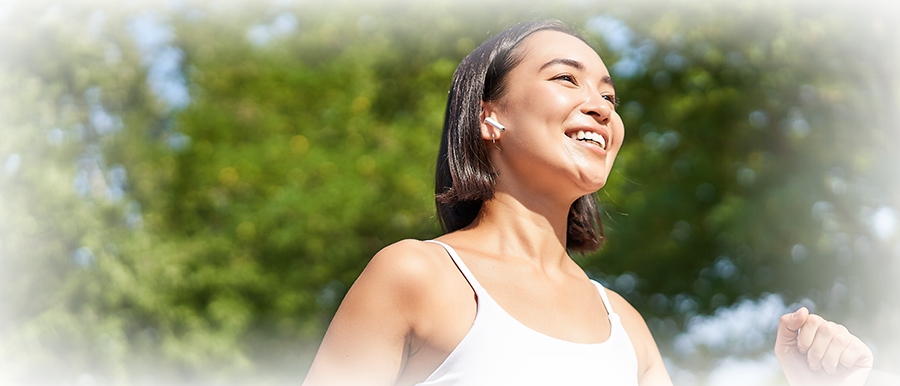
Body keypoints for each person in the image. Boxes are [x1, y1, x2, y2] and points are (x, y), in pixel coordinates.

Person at [301, 20, 873, 386]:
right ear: (490, 115)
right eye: (565, 79)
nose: (600, 107)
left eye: (608, 95)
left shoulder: (624, 325)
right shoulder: (414, 274)